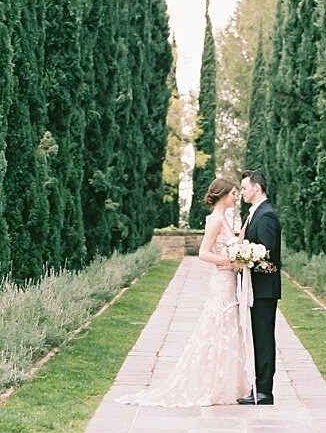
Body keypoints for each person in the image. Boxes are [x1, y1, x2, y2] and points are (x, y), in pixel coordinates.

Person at [115, 177, 249, 406]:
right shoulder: (215, 220)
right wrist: (228, 260)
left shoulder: (225, 220)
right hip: (221, 281)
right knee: (219, 326)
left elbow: (231, 244)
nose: (236, 197)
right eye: (233, 193)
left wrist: (243, 242)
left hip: (228, 280)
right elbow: (204, 253)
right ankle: (212, 385)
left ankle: (225, 383)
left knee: (227, 328)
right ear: (223, 194)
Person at [236, 169, 280, 406]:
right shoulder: (256, 213)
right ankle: (258, 387)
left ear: (257, 188)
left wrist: (245, 258)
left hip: (263, 289)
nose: (242, 191)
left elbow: (266, 254)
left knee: (263, 339)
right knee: (258, 338)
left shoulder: (266, 216)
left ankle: (264, 391)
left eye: (244, 187)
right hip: (256, 288)